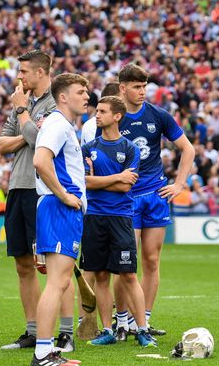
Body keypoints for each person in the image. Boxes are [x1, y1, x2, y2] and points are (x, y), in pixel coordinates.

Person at [0, 51, 76, 353]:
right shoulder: (22, 103)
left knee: (57, 265)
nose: (20, 77)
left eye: (24, 72)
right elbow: (2, 144)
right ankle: (32, 331)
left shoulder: (56, 103)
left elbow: (41, 141)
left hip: (44, 190)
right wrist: (26, 124)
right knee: (22, 264)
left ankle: (65, 333)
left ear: (41, 72)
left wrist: (23, 120)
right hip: (17, 186)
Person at [112, 63, 195, 337]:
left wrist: (180, 184)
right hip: (126, 199)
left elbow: (188, 149)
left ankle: (142, 322)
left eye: (144, 86)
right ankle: (121, 320)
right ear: (122, 88)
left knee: (151, 261)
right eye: (136, 87)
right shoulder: (113, 117)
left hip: (156, 195)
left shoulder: (158, 115)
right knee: (126, 262)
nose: (142, 92)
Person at [80, 96, 157, 347]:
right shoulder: (89, 147)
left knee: (128, 275)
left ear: (117, 116)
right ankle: (107, 330)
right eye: (96, 111)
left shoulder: (129, 148)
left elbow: (127, 186)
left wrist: (105, 181)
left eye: (102, 111)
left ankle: (142, 330)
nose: (96, 115)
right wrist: (117, 177)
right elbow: (85, 182)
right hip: (94, 217)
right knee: (101, 276)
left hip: (122, 218)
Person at [30, 73, 90, 366]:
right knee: (57, 283)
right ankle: (42, 353)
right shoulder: (57, 123)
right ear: (63, 97)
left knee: (60, 282)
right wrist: (65, 195)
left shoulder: (62, 125)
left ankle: (46, 350)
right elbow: (40, 161)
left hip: (61, 208)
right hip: (59, 207)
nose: (87, 96)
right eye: (81, 91)